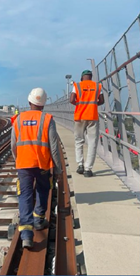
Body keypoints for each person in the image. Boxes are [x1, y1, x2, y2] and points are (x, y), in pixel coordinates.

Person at [11, 88, 62, 249]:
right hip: (42, 164)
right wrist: (58, 169)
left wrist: (18, 160)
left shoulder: (18, 119)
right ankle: (39, 220)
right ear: (44, 104)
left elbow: (13, 145)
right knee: (42, 189)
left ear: (29, 102)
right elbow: (54, 147)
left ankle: (26, 235)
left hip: (24, 164)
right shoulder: (47, 119)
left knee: (24, 195)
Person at [70, 70, 104, 177]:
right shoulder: (98, 86)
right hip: (92, 116)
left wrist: (79, 105)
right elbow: (101, 101)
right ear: (91, 77)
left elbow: (71, 99)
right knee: (92, 142)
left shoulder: (77, 85)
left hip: (80, 116)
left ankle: (80, 165)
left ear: (82, 77)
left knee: (79, 140)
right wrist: (92, 105)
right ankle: (88, 169)